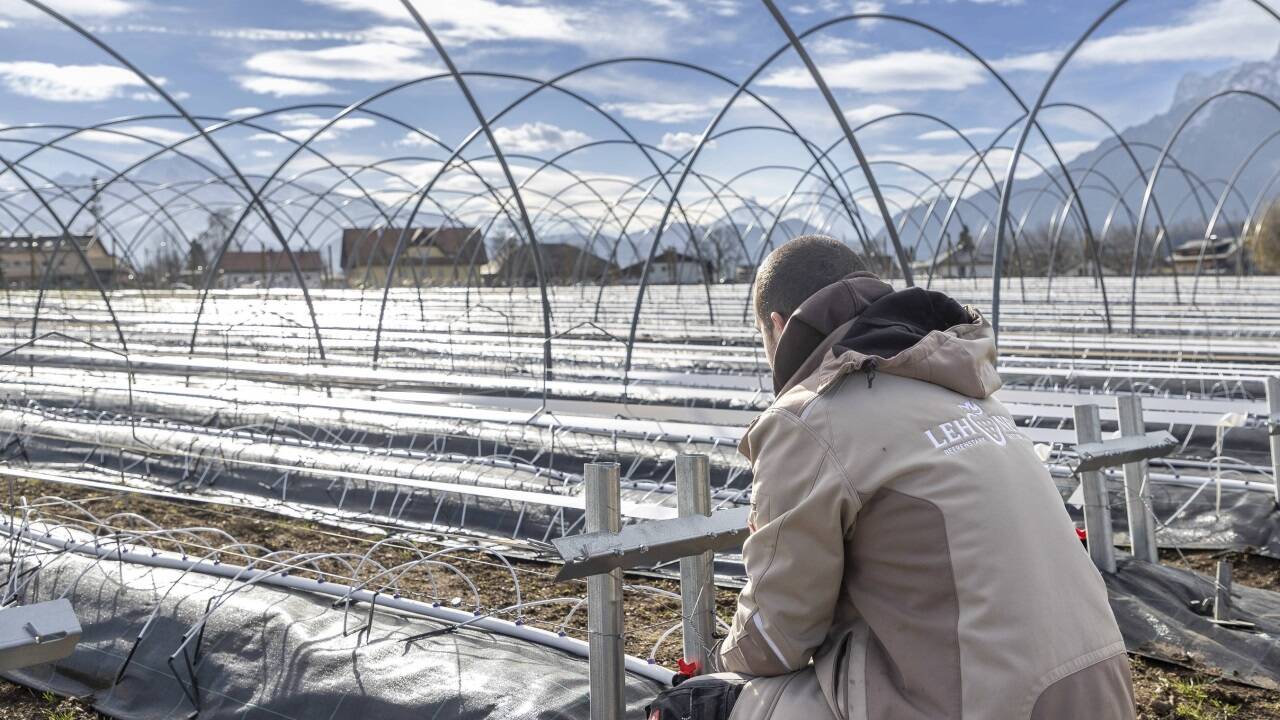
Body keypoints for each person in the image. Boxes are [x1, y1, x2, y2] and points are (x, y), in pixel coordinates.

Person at [703, 235, 1135, 719]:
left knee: (717, 704)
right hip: (1100, 692)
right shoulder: (966, 389)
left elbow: (776, 640)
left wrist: (716, 666)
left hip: (987, 706)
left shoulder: (809, 417)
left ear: (778, 329)